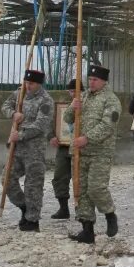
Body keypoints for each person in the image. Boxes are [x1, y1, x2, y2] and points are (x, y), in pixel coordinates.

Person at [65, 65, 122, 244]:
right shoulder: (83, 96)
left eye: (95, 79)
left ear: (104, 81)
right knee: (81, 191)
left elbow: (107, 126)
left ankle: (110, 213)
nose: (91, 82)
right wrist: (72, 107)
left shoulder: (111, 100)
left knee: (96, 188)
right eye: (89, 79)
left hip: (100, 152)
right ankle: (87, 229)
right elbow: (67, 119)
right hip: (81, 152)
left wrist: (87, 138)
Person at [2, 69, 54, 232]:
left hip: (34, 148)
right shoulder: (19, 93)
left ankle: (32, 220)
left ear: (39, 84)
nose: (27, 85)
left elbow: (41, 125)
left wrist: (21, 135)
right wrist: (14, 114)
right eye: (26, 82)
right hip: (16, 148)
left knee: (33, 184)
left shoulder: (46, 100)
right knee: (7, 179)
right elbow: (5, 105)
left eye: (31, 83)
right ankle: (25, 206)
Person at [48, 79, 82, 219]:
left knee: (80, 179)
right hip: (63, 148)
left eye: (75, 91)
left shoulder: (88, 107)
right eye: (71, 91)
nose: (73, 93)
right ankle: (63, 208)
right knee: (59, 177)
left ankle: (82, 210)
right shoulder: (63, 107)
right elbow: (52, 123)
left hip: (79, 148)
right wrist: (51, 136)